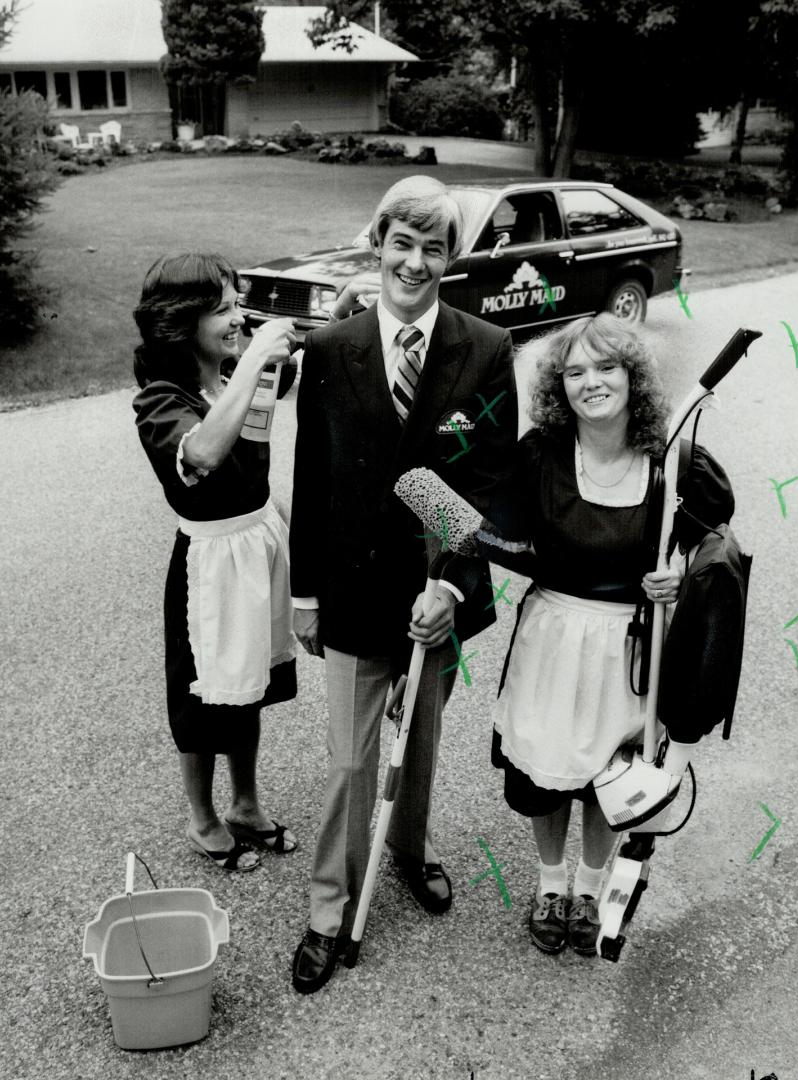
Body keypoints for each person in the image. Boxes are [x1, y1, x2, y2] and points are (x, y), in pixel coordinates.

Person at [289, 175, 518, 993]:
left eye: (432, 248)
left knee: (418, 747)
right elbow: (311, 479)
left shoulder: (487, 351)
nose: (414, 263)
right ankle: (327, 908)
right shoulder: (329, 350)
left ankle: (409, 853)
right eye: (402, 243)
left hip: (434, 596)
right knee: (350, 763)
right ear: (378, 242)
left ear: (451, 258)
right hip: (350, 590)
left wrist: (452, 587)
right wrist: (305, 593)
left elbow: (487, 483)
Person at [490, 313, 734, 956]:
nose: (590, 382)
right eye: (574, 372)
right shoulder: (540, 452)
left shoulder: (674, 457)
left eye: (606, 367)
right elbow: (495, 528)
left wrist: (678, 579)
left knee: (608, 771)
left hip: (629, 645)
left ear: (633, 377)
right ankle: (550, 884)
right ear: (558, 387)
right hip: (552, 634)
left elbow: (713, 543)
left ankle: (593, 886)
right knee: (545, 770)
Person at [132, 253, 299, 873]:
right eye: (225, 307)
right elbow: (201, 452)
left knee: (247, 685)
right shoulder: (160, 400)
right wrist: (254, 358)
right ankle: (202, 818)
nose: (240, 317)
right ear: (183, 320)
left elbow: (298, 376)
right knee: (203, 697)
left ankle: (247, 804)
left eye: (239, 303)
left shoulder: (230, 375)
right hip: (207, 564)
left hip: (258, 548)